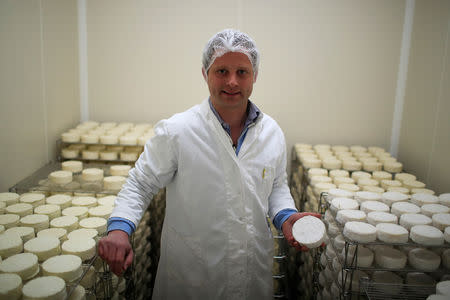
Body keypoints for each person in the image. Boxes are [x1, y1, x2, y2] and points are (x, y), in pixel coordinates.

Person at [98, 28, 321, 299]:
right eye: (221, 71)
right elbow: (140, 183)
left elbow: (275, 186)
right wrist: (120, 229)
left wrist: (286, 216)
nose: (232, 82)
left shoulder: (271, 132)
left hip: (252, 275)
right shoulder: (178, 131)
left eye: (242, 72)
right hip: (191, 277)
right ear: (205, 73)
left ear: (255, 76)